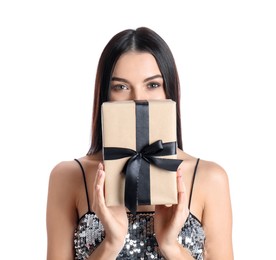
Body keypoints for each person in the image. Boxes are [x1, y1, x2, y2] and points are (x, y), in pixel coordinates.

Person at [46, 27, 234, 260]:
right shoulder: (69, 176)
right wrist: (111, 244)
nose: (138, 98)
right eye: (121, 87)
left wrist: (170, 246)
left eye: (152, 84)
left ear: (169, 90)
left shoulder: (209, 177)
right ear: (105, 94)